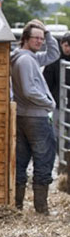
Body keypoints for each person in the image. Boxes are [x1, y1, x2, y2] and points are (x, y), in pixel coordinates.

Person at [10, 19, 60, 214]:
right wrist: (49, 103)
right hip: (36, 117)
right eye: (36, 38)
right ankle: (41, 209)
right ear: (25, 38)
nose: (40, 41)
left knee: (21, 161)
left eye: (41, 38)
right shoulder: (25, 61)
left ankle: (18, 206)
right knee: (44, 159)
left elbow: (54, 54)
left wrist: (47, 32)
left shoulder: (27, 57)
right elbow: (30, 90)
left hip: (23, 116)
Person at [42, 32, 70, 165]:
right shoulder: (54, 60)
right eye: (66, 45)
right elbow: (46, 83)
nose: (68, 48)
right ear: (61, 44)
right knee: (56, 133)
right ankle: (62, 158)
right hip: (58, 103)